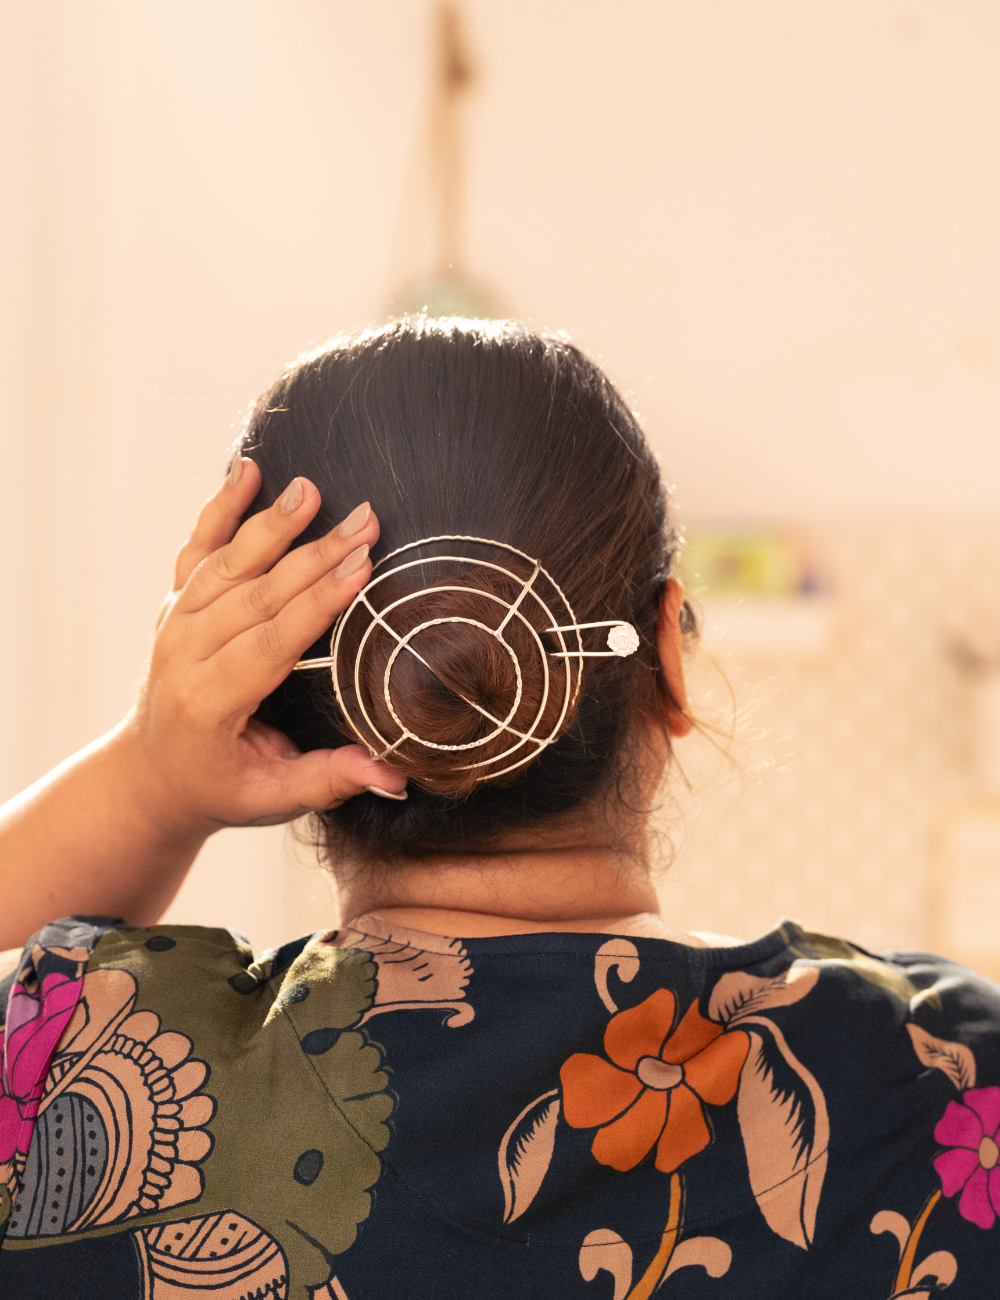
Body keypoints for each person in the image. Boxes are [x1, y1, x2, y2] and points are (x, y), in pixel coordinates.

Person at [0, 318, 997, 1299]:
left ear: (274, 707)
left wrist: (151, 776)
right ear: (670, 656)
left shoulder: (78, 1067)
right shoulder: (942, 1077)